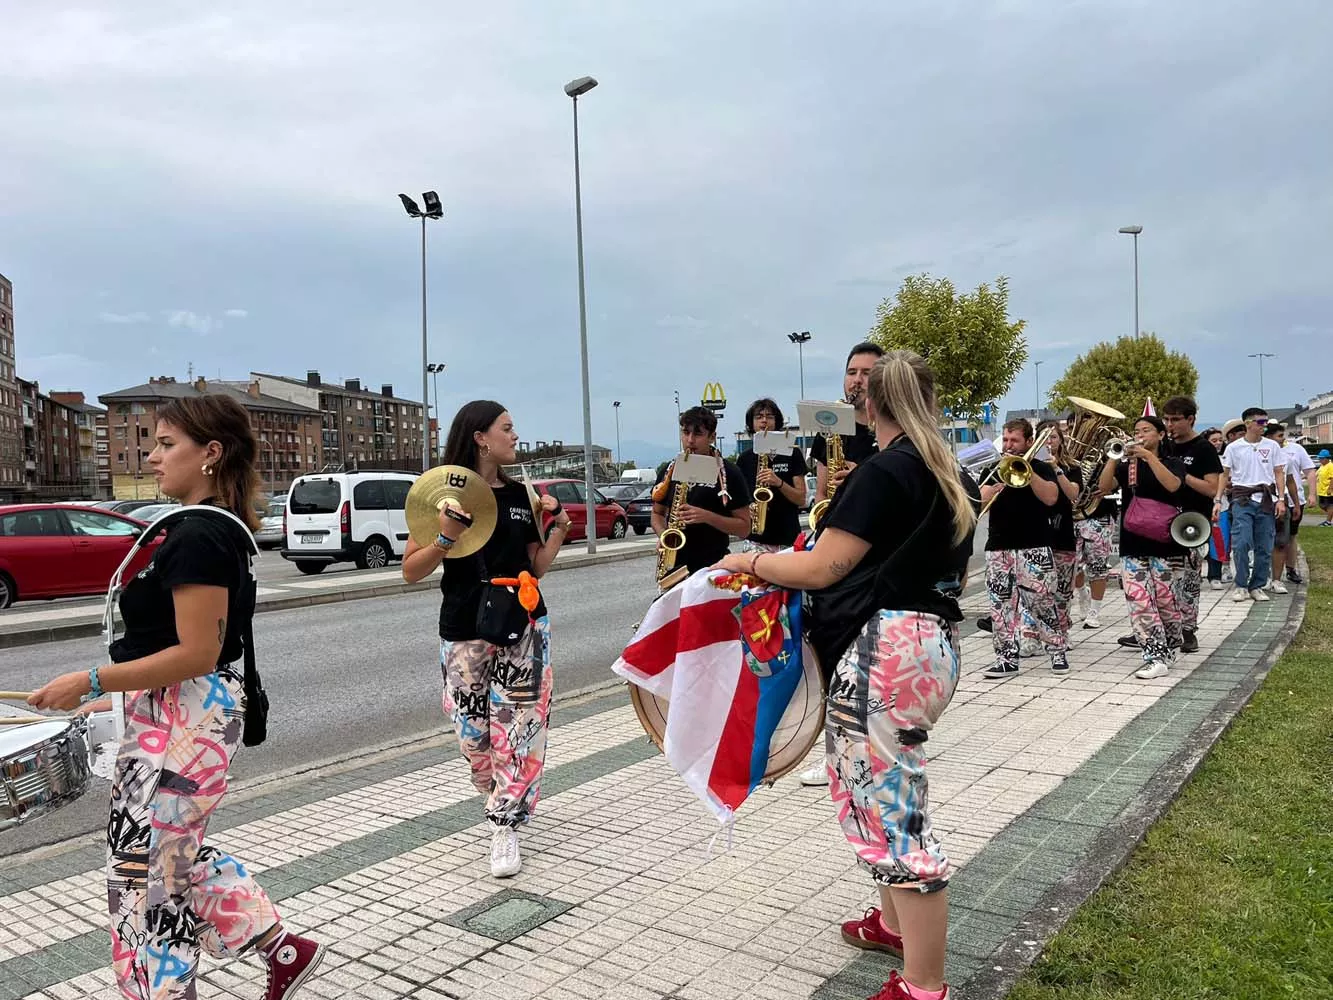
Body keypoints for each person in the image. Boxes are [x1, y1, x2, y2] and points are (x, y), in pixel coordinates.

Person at [29, 394, 324, 1000]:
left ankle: (164, 992)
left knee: (148, 870)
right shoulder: (200, 529)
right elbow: (172, 649)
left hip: (189, 716)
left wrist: (90, 681)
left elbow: (198, 653)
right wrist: (111, 702)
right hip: (174, 712)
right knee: (164, 854)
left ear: (210, 454)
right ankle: (280, 947)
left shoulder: (198, 537)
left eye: (167, 445)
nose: (151, 456)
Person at [715, 350, 978, 1000]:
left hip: (884, 647)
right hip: (927, 643)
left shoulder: (886, 470)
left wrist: (751, 562)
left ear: (871, 404)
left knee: (892, 810)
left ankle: (922, 986)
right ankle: (892, 926)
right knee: (868, 790)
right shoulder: (944, 471)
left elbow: (820, 567)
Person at [401, 400, 572, 878]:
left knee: (521, 727)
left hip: (525, 623)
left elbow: (535, 565)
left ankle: (505, 824)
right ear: (480, 436)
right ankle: (497, 793)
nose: (515, 436)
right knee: (473, 736)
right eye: (507, 428)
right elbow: (410, 571)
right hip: (463, 627)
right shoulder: (438, 496)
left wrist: (557, 530)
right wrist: (445, 536)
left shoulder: (523, 496)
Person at [1098, 415, 1185, 679]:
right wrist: (1113, 458)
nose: (1140, 435)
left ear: (1160, 435)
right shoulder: (1128, 467)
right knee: (1139, 600)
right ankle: (1154, 654)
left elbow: (1173, 486)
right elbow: (1103, 488)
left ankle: (1170, 643)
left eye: (1146, 430)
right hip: (1132, 541)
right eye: (1136, 431)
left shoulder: (1173, 462)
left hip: (1166, 542)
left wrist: (1149, 457)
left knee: (1166, 600)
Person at [980, 418, 1066, 680]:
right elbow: (979, 501)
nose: (1008, 445)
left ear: (1029, 442)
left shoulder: (1041, 468)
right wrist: (995, 484)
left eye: (1014, 440)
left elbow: (1051, 498)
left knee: (1042, 603)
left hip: (1035, 546)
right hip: (999, 547)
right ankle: (1006, 658)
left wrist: (1026, 471)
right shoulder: (993, 468)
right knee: (1000, 606)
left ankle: (1057, 651)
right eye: (1005, 440)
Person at [1147, 396, 1221, 653]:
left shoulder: (1203, 449)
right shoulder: (1162, 446)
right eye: (1166, 419)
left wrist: (1182, 476)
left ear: (1191, 419)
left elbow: (1212, 489)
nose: (1170, 425)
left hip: (1191, 523)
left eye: (1176, 420)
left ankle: (1187, 630)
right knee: (1160, 579)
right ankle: (1156, 628)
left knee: (1188, 580)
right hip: (1161, 520)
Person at [651, 406, 752, 574]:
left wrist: (706, 517)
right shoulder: (669, 470)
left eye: (698, 434)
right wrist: (664, 535)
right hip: (672, 567)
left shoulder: (730, 473)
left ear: (712, 437)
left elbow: (744, 528)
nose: (690, 440)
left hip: (712, 566)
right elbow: (657, 514)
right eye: (685, 433)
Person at [1216, 407, 1288, 601]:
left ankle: (1257, 585)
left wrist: (1281, 499)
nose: (1264, 426)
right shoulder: (1234, 447)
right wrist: (1217, 499)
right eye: (1260, 422)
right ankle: (1241, 585)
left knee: (1264, 545)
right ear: (1248, 424)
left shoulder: (1272, 446)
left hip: (1266, 499)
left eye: (1266, 422)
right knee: (1241, 542)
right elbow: (1224, 474)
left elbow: (1279, 472)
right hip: (1242, 499)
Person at [809, 342, 883, 507]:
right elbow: (822, 494)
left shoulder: (893, 431)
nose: (857, 380)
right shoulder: (829, 430)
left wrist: (862, 477)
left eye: (866, 373)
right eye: (851, 372)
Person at [735, 397, 808, 553]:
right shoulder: (744, 458)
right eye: (759, 417)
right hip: (756, 539)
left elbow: (801, 499)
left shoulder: (792, 452)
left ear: (777, 422)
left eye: (769, 416)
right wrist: (749, 508)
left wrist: (778, 482)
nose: (764, 421)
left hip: (787, 537)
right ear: (751, 424)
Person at [1036, 419, 1082, 642]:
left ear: (1061, 441)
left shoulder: (1072, 467)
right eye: (1044, 438)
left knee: (1062, 590)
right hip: (1035, 536)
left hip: (1062, 534)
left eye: (1053, 437)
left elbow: (1074, 495)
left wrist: (1056, 468)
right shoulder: (1031, 466)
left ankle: (1061, 632)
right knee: (1036, 591)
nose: (1049, 442)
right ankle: (1032, 635)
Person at [1266, 422, 1316, 587]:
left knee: (1290, 536)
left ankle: (1291, 568)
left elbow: (1307, 471)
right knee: (1271, 537)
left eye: (1283, 435)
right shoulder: (1263, 450)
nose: (1283, 438)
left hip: (1293, 498)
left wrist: (1311, 494)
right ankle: (1268, 572)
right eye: (1279, 435)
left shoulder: (1295, 450)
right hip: (1270, 499)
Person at [1202, 427, 1231, 588]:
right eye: (1214, 440)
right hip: (1199, 505)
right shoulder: (1199, 458)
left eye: (1221, 440)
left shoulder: (1226, 458)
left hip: (1222, 505)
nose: (1218, 443)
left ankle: (1215, 576)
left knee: (1219, 540)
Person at [1318, 449, 1333, 526]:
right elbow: (1316, 474)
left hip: (1328, 490)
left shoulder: (1330, 466)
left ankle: (1328, 522)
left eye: (1322, 458)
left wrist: (1330, 488)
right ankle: (1330, 517)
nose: (1320, 460)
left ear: (1327, 458)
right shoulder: (1322, 466)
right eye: (1319, 458)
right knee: (1322, 505)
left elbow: (1332, 478)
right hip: (1322, 490)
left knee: (1329, 505)